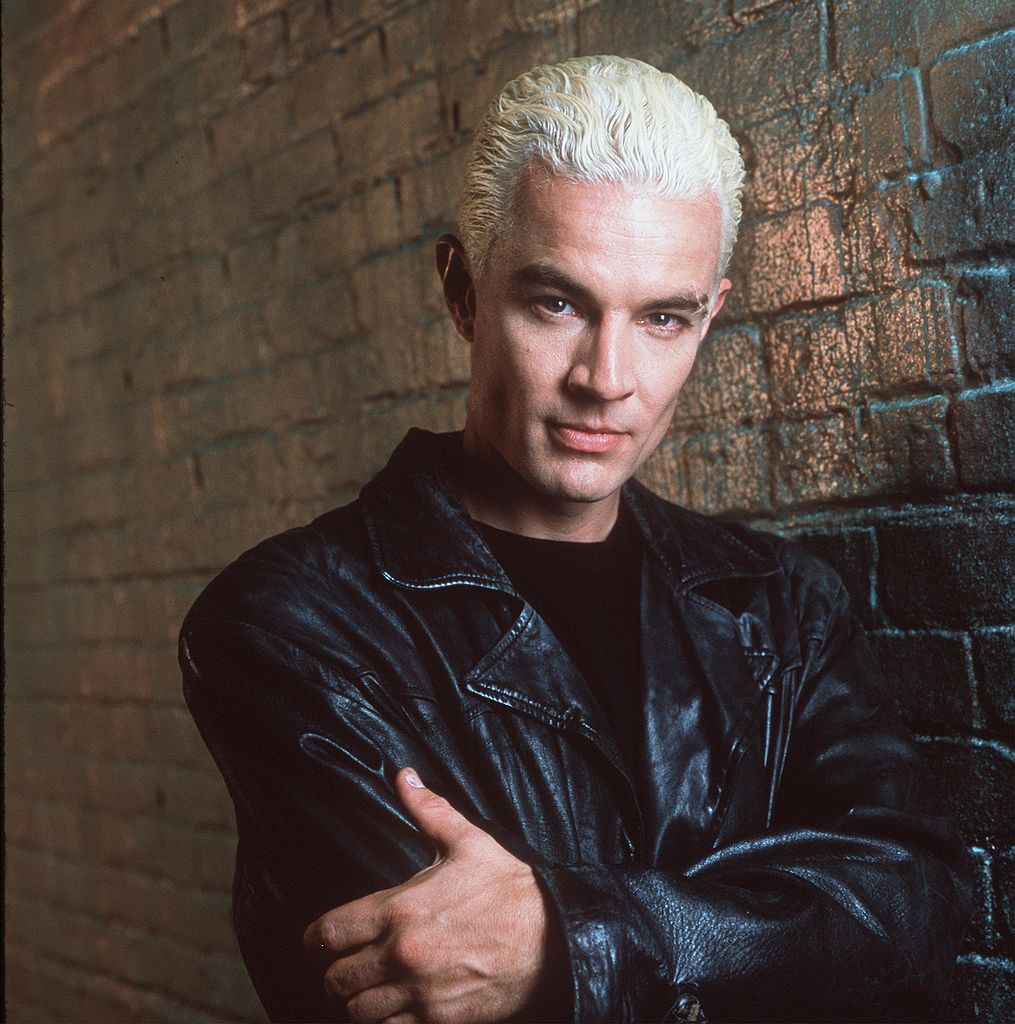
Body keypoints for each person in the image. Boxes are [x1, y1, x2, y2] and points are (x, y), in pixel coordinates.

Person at [180, 56, 970, 1024]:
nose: (606, 378)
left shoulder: (783, 604)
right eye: (556, 303)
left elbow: (913, 913)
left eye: (662, 318)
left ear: (708, 319)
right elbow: (423, 988)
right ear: (463, 292)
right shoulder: (288, 623)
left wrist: (572, 939)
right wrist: (767, 935)